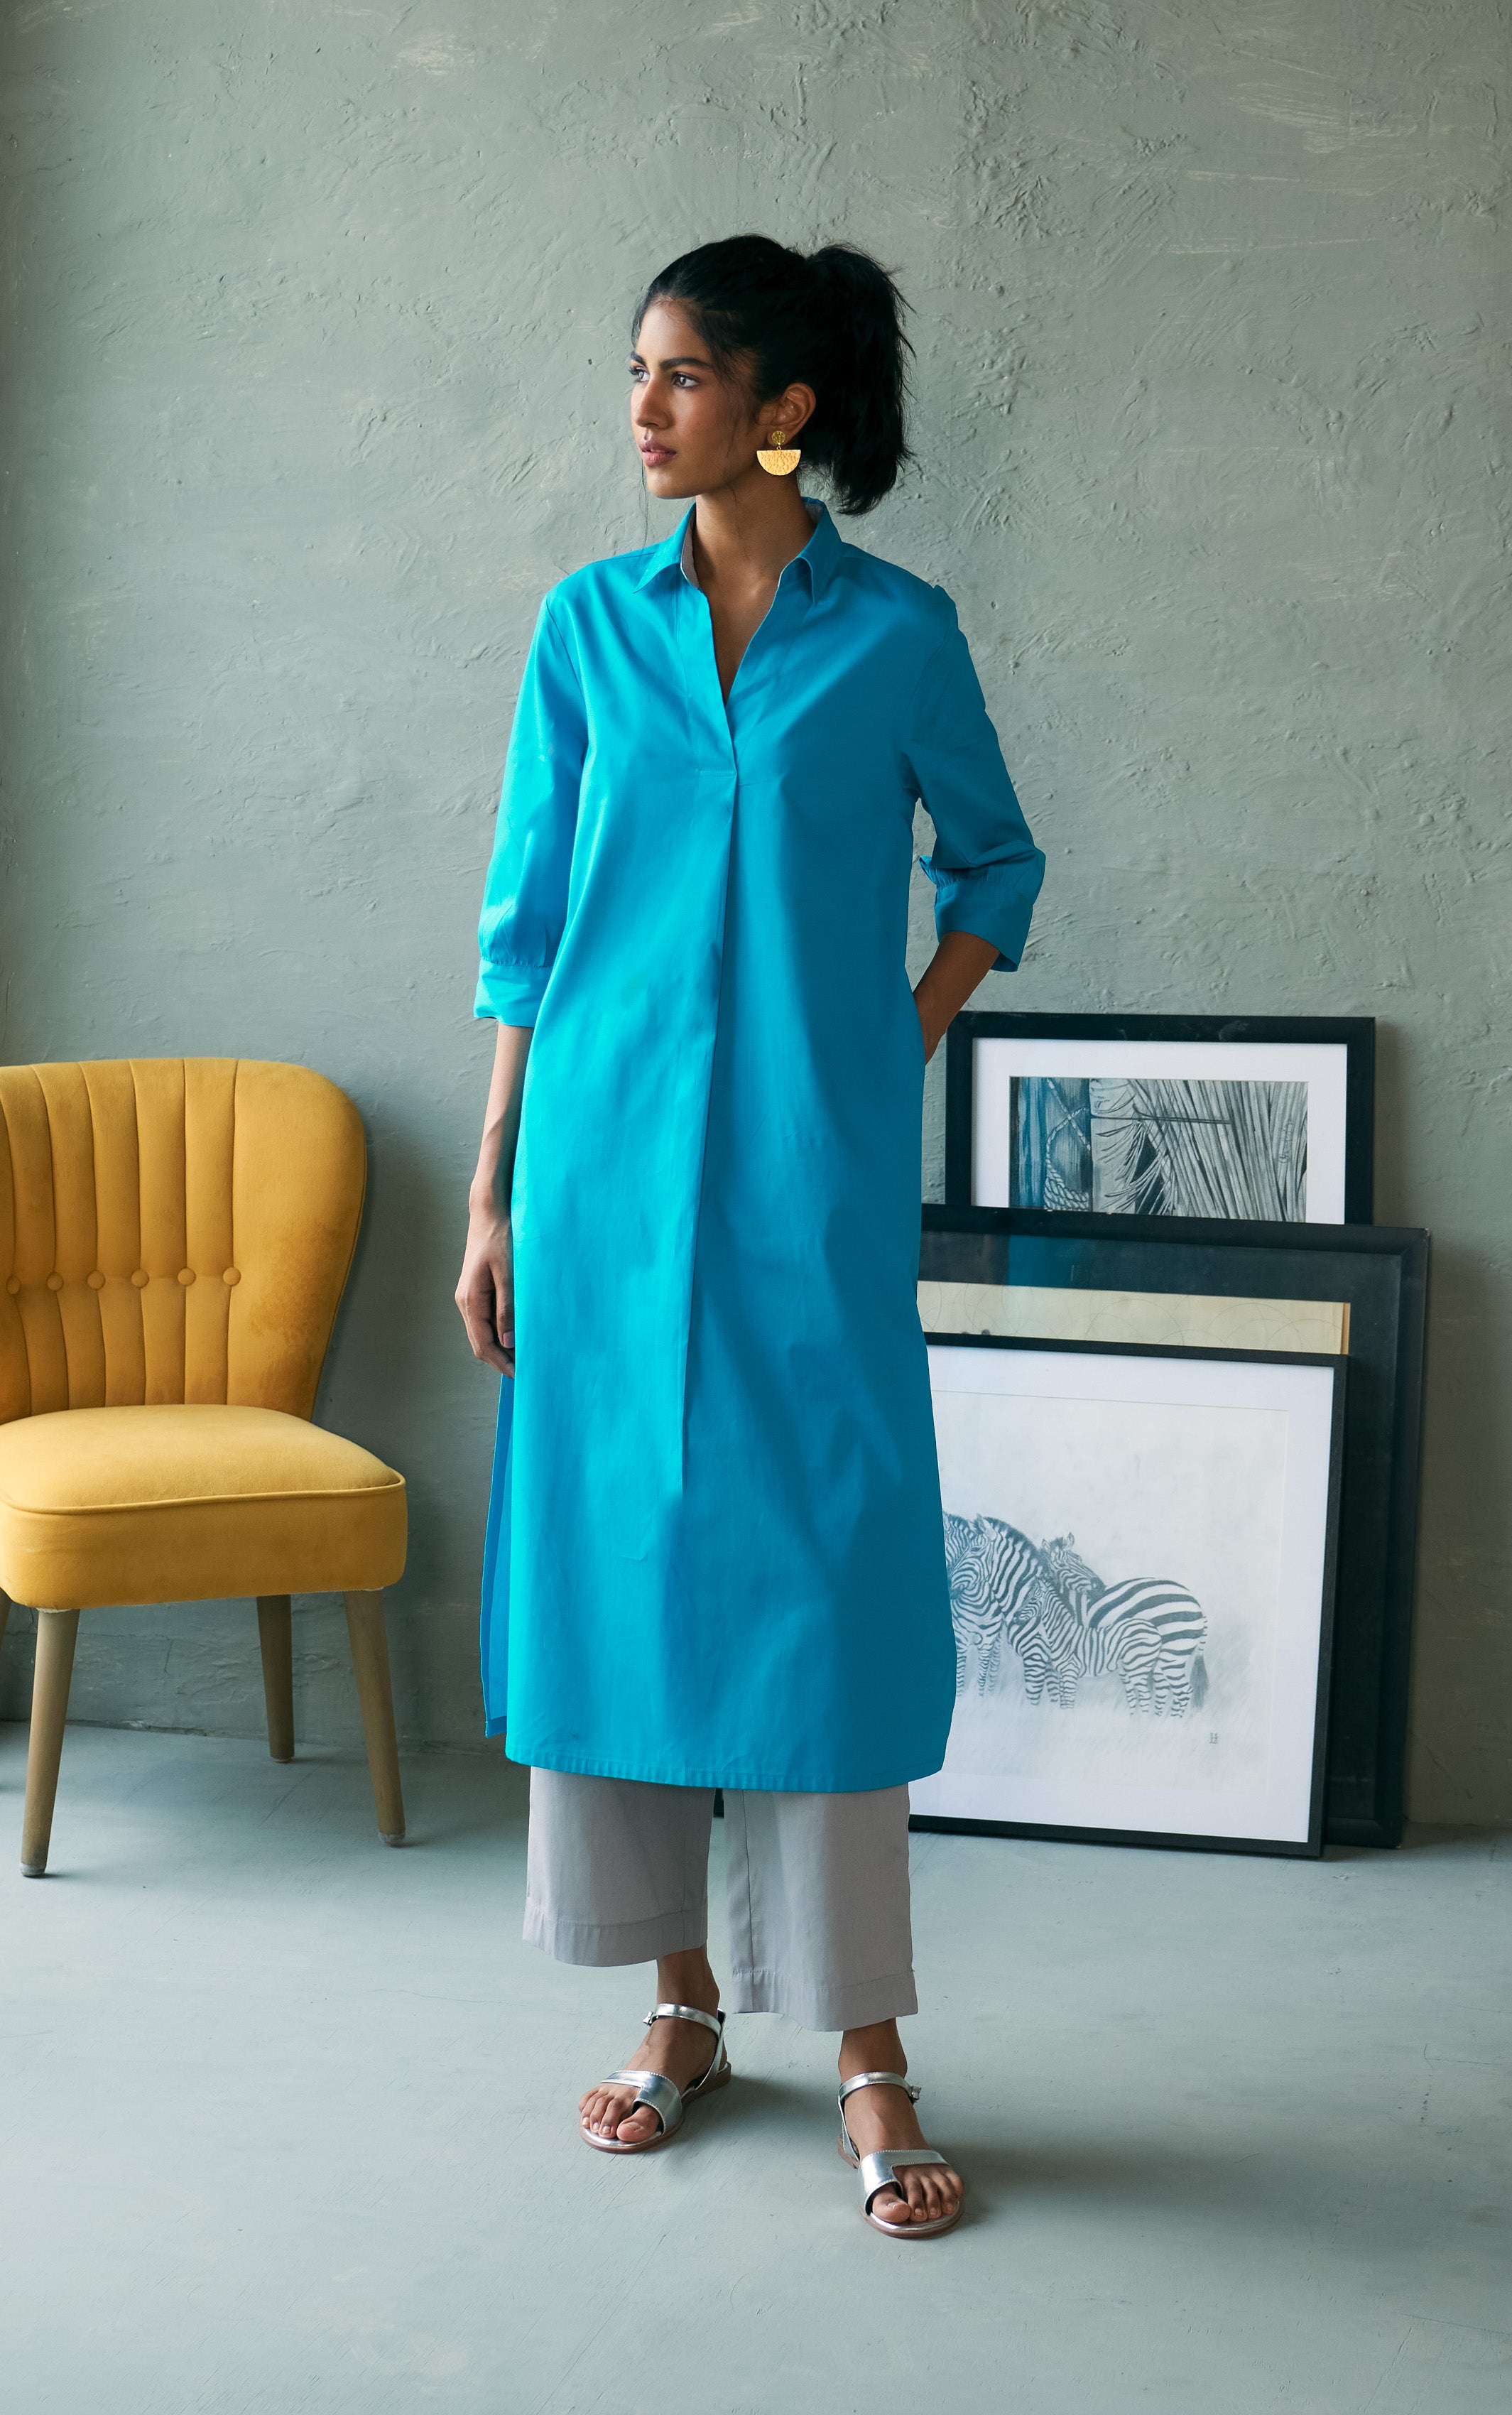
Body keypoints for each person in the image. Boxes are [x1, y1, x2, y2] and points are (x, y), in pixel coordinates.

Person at [456, 234, 1044, 2237]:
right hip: (598, 1172)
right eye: (637, 370)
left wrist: (893, 1041)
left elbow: (994, 862)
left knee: (825, 1577)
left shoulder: (897, 638)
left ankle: (866, 2048)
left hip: (809, 1179)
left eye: (683, 375)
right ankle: (679, 2007)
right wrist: (492, 1188)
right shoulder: (584, 632)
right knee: (621, 1566)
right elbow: (527, 928)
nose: (643, 409)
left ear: (781, 409)